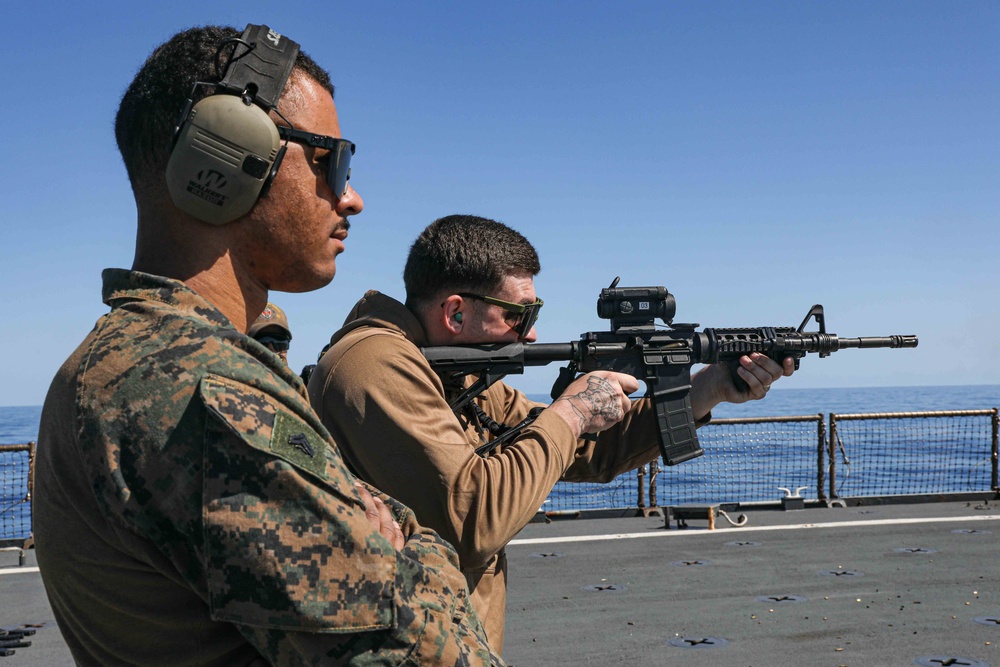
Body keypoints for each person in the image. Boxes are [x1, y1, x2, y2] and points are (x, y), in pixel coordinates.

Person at [33, 26, 503, 666]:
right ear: (225, 160)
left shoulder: (126, 360)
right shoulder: (201, 389)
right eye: (330, 160)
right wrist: (414, 547)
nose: (352, 197)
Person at [307, 214, 795, 651]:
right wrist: (575, 410)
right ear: (455, 312)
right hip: (391, 645)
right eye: (520, 314)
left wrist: (708, 388)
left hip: (441, 640)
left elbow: (584, 451)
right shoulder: (374, 363)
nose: (533, 333)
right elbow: (473, 521)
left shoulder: (459, 378)